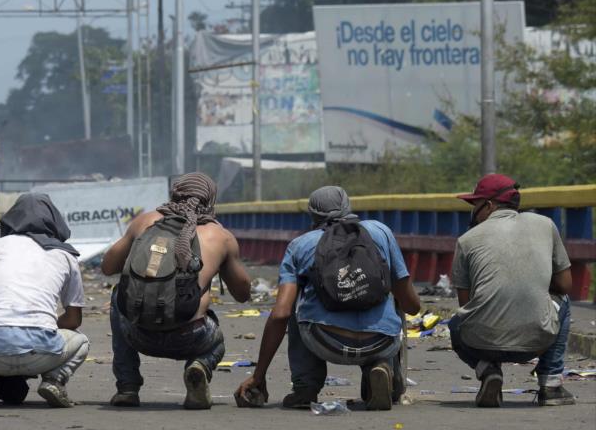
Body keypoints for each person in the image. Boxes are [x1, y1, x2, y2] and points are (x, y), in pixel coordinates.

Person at [235, 186, 420, 411]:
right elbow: (411, 306)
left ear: (312, 215)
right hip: (381, 342)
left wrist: (259, 375)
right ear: (348, 207)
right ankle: (380, 368)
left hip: (325, 341)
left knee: (291, 304)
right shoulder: (380, 231)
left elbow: (280, 314)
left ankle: (305, 388)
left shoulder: (300, 245)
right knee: (390, 296)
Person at [101, 172, 251, 409]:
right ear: (210, 201)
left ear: (173, 194)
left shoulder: (145, 221)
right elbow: (243, 294)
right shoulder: (220, 236)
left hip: (138, 332)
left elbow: (108, 267)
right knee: (216, 340)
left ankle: (127, 387)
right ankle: (199, 365)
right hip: (190, 338)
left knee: (118, 292)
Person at [449, 174, 575, 407]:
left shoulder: (466, 240)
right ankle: (551, 384)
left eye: (475, 205)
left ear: (488, 205)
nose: (473, 211)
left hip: (481, 343)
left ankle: (487, 370)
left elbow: (464, 305)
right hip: (537, 341)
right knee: (563, 301)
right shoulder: (545, 225)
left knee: (455, 324)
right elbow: (565, 285)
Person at [0, 193, 90, 409]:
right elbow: (74, 320)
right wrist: (41, 322)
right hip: (43, 354)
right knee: (81, 341)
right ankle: (55, 381)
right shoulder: (65, 256)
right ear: (54, 221)